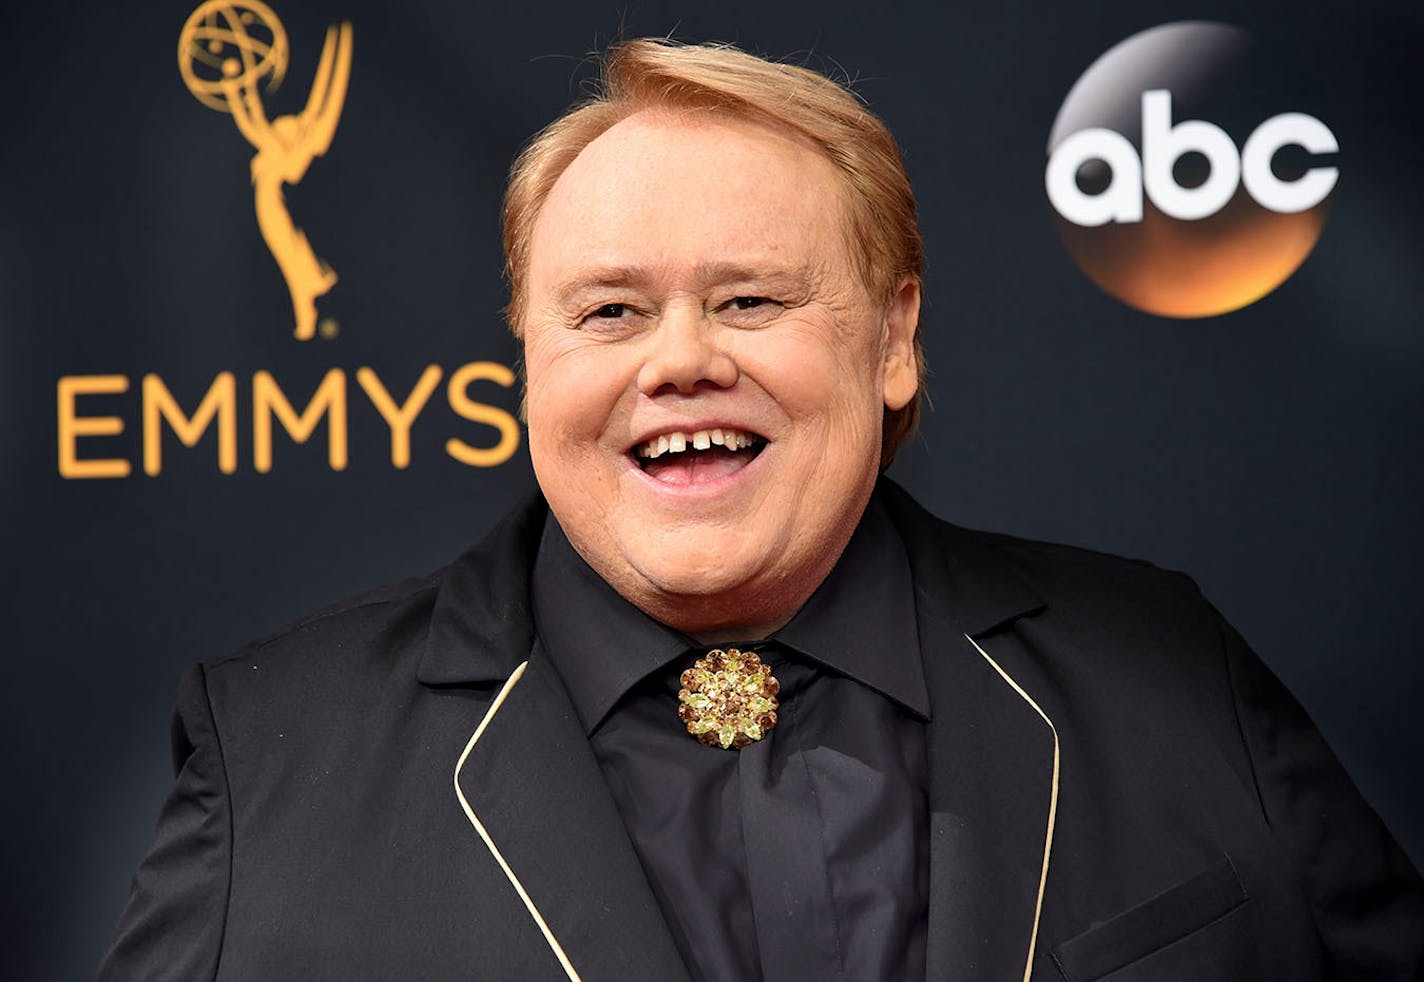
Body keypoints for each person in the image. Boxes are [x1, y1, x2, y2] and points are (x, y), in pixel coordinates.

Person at [99, 39, 1422, 981]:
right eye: (609, 309)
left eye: (749, 300)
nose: (679, 359)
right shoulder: (274, 752)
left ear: (894, 339)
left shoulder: (1167, 668)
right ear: (525, 358)